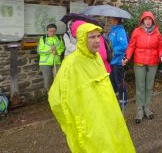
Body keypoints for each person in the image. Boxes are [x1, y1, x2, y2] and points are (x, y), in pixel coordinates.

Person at [48, 23, 135, 152]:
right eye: (91, 37)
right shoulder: (71, 64)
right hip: (88, 123)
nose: (97, 41)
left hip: (107, 115)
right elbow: (56, 99)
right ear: (83, 39)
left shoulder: (97, 58)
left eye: (98, 36)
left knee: (115, 144)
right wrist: (76, 122)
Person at [122, 11, 162, 123]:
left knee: (149, 86)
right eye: (145, 19)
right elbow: (131, 46)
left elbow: (160, 48)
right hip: (139, 62)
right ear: (142, 21)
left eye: (149, 19)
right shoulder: (137, 31)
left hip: (152, 62)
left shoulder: (157, 33)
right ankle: (139, 110)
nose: (147, 21)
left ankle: (147, 108)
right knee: (140, 86)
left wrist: (161, 56)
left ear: (152, 21)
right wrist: (127, 57)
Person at [108, 17, 129, 108]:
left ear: (116, 20)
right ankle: (116, 101)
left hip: (118, 62)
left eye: (111, 19)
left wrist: (112, 50)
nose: (109, 20)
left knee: (119, 83)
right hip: (112, 62)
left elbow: (124, 46)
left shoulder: (120, 31)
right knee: (113, 83)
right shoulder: (112, 30)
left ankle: (123, 102)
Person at [38, 23, 65, 91]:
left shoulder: (59, 38)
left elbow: (62, 48)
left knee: (58, 79)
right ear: (47, 31)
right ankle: (49, 95)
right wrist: (50, 50)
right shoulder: (43, 39)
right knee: (48, 81)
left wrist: (57, 52)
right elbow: (40, 51)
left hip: (57, 61)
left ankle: (56, 95)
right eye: (50, 31)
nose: (52, 33)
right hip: (45, 63)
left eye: (54, 31)